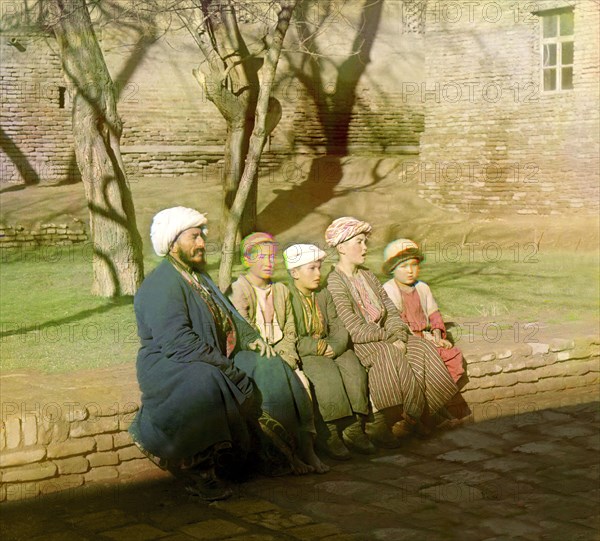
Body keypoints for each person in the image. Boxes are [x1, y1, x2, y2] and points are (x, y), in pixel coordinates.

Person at [129, 208, 325, 503]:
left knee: (269, 364)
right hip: (170, 364)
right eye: (195, 236)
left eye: (202, 236)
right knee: (206, 380)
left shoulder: (198, 277)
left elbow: (228, 314)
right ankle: (201, 472)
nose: (201, 243)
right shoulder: (162, 284)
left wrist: (252, 339)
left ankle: (280, 452)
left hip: (209, 355)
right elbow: (178, 343)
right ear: (172, 244)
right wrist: (227, 369)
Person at [324, 217, 459, 444]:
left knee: (421, 347)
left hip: (386, 334)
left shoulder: (367, 275)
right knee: (391, 353)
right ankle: (394, 420)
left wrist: (398, 334)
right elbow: (353, 329)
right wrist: (390, 339)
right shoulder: (335, 281)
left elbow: (390, 310)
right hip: (362, 343)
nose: (365, 247)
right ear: (341, 247)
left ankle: (420, 415)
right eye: (359, 242)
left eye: (365, 241)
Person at [229, 232, 329, 473]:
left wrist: (287, 356)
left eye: (271, 257)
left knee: (301, 384)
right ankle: (283, 454)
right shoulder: (238, 289)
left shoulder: (281, 291)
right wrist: (270, 357)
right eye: (260, 257)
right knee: (274, 389)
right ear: (247, 261)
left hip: (280, 355)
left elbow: (290, 331)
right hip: (251, 357)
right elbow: (243, 332)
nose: (267, 263)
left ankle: (307, 449)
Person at [283, 243, 375, 460]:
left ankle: (354, 427)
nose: (318, 274)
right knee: (326, 377)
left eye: (319, 268)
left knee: (354, 368)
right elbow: (290, 335)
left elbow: (338, 325)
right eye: (311, 269)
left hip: (331, 345)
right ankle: (330, 431)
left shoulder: (323, 294)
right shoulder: (287, 296)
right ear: (294, 273)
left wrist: (335, 346)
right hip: (308, 351)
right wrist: (317, 347)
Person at [382, 239, 464, 383]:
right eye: (403, 266)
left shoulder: (422, 288)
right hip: (406, 338)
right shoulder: (389, 290)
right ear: (392, 269)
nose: (410, 271)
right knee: (425, 362)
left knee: (452, 355)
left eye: (414, 265)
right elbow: (396, 322)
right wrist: (423, 340)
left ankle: (442, 392)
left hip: (425, 336)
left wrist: (437, 335)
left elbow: (434, 315)